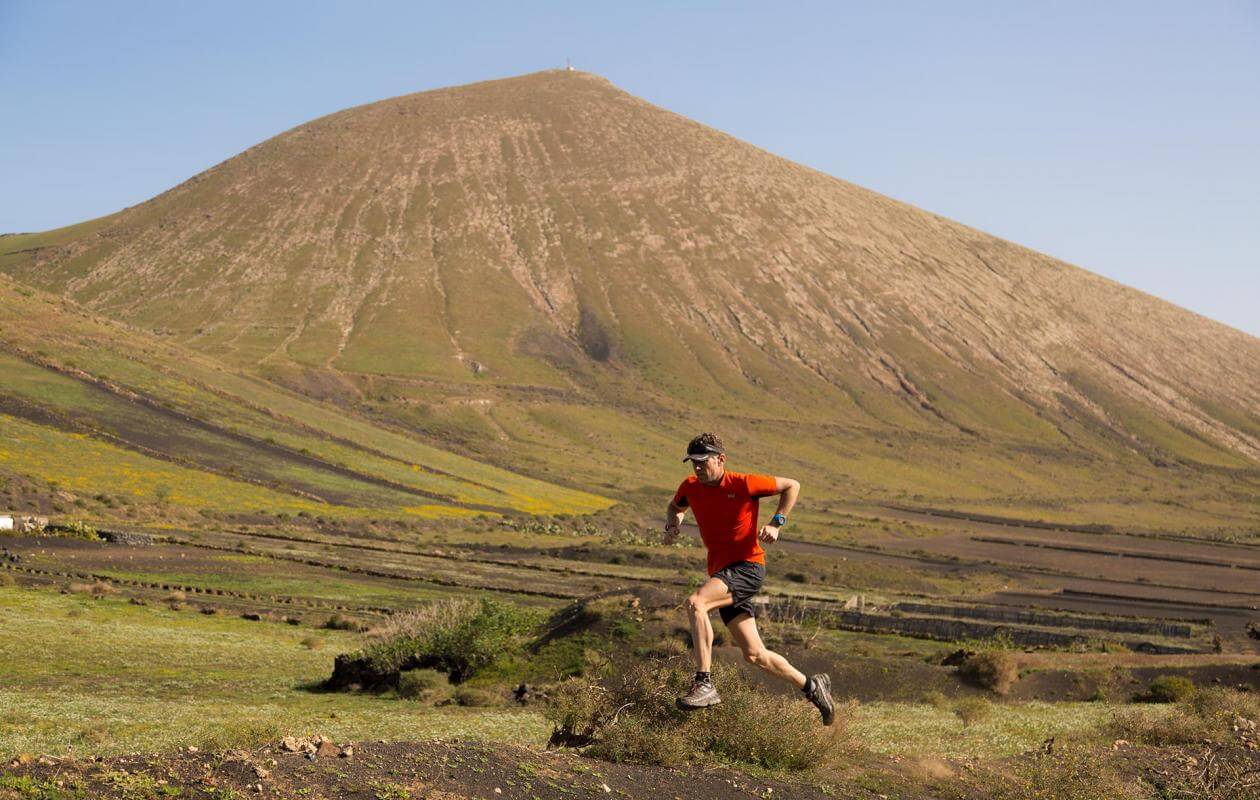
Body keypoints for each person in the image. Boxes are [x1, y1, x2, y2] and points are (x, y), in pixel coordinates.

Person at [663, 432, 835, 724]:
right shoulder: (690, 487)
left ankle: (704, 682)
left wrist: (777, 522)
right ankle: (812, 686)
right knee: (755, 654)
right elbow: (675, 506)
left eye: (703, 461)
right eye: (693, 462)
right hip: (722, 573)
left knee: (696, 603)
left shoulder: (744, 483)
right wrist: (672, 524)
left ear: (721, 459)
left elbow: (792, 485)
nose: (697, 468)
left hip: (747, 567)